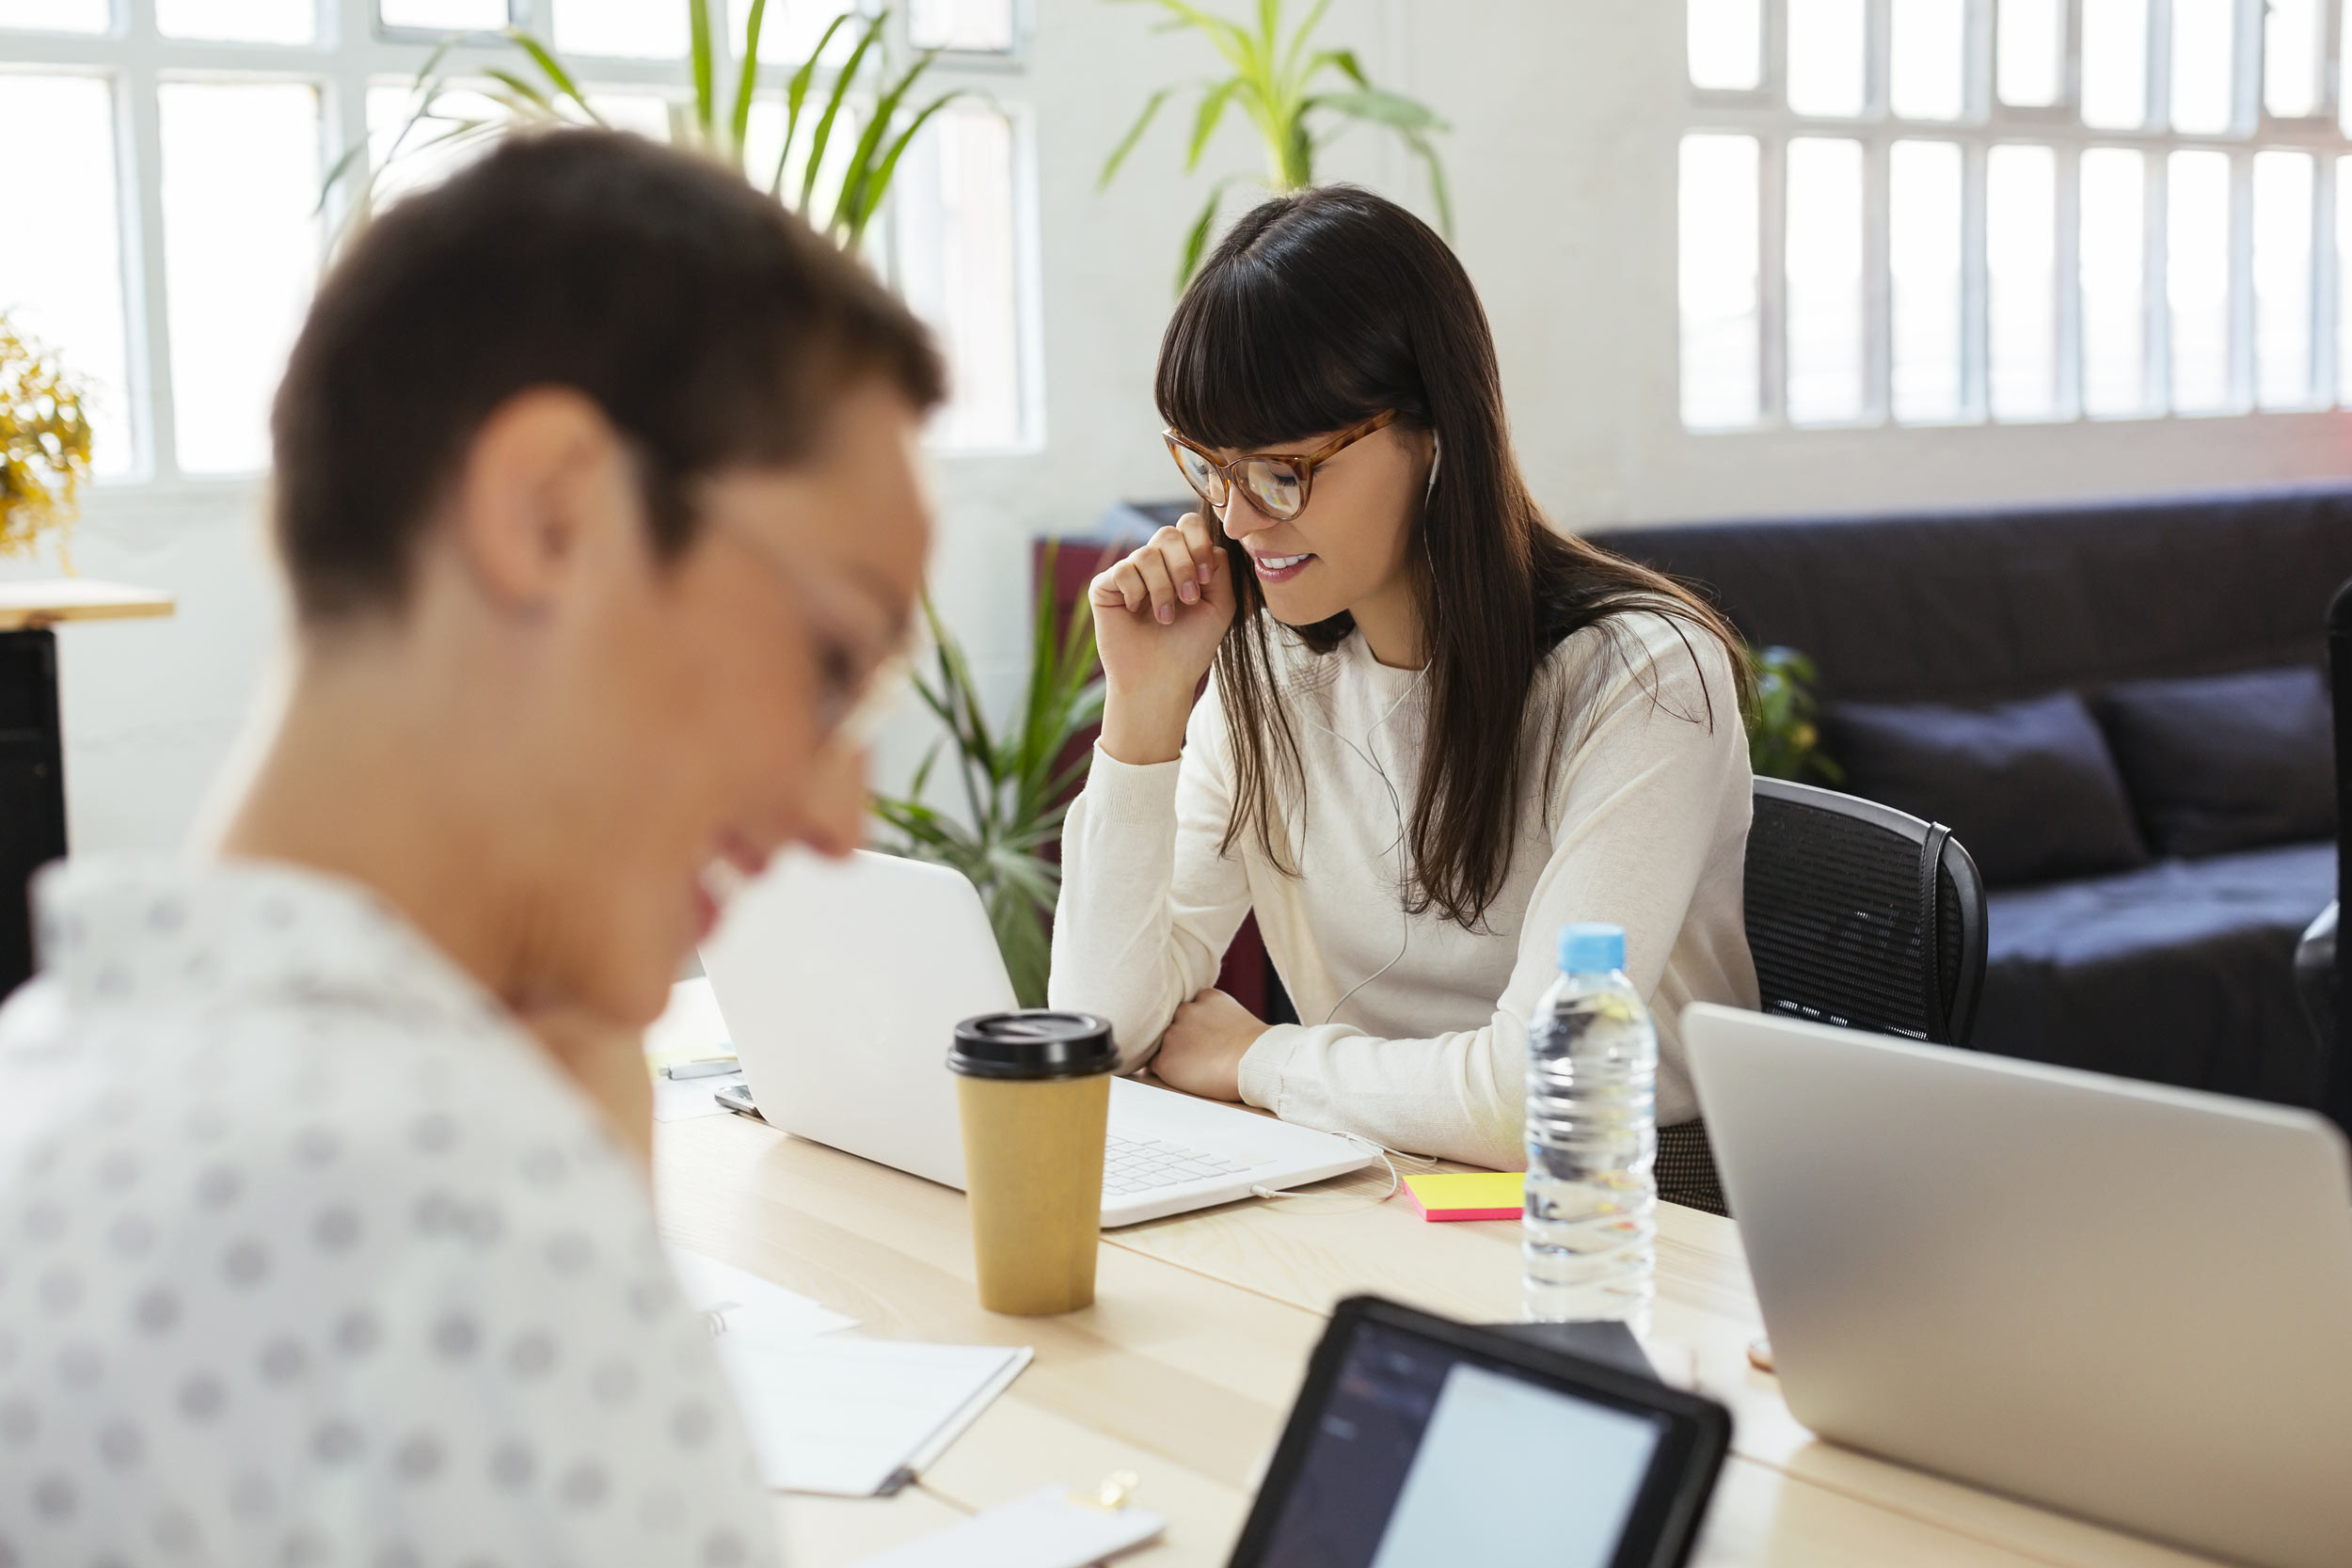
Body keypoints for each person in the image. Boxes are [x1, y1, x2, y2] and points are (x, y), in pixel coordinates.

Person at [0, 129, 941, 1566]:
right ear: (554, 512)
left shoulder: (52, 1076)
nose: (838, 815)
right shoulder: (455, 1243)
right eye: (831, 661)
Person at [1048, 186, 1757, 1207]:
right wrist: (1143, 712)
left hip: (1622, 1205)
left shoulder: (1637, 676)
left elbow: (1538, 1094)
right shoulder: (1268, 670)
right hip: (1379, 1175)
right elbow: (1101, 1033)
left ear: (1431, 432)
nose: (1239, 518)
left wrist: (1259, 1062)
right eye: (1209, 467)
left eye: (1284, 471)